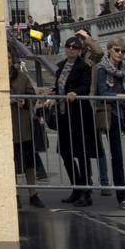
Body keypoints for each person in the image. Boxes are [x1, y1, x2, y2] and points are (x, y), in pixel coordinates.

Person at [52, 36, 98, 206]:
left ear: (80, 50)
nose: (71, 49)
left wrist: (75, 93)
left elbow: (86, 86)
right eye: (68, 46)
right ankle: (77, 187)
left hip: (79, 115)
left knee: (82, 153)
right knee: (66, 153)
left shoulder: (84, 67)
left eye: (75, 47)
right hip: (64, 115)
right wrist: (52, 94)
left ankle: (86, 192)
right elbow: (59, 87)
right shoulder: (61, 67)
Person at [94, 36, 125, 210]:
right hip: (109, 113)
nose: (120, 53)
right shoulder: (102, 69)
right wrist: (124, 96)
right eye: (117, 50)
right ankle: (122, 196)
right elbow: (103, 92)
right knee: (117, 155)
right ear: (109, 50)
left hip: (124, 112)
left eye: (122, 51)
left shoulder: (124, 69)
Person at [9, 57, 45, 208]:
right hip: (7, 125)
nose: (8, 60)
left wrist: (25, 100)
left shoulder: (22, 77)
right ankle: (14, 194)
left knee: (29, 162)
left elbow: (32, 95)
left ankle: (33, 193)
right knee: (11, 163)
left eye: (10, 57)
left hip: (23, 125)